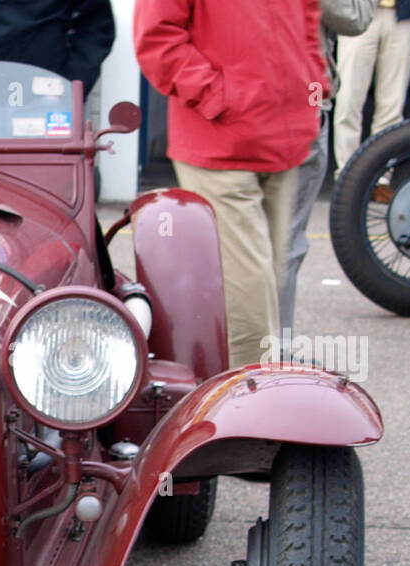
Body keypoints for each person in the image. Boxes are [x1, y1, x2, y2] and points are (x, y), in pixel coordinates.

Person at [135, 0, 327, 369]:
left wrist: (312, 95)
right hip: (221, 142)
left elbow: (307, 23)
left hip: (282, 139)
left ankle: (255, 388)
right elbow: (158, 39)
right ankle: (248, 402)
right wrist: (216, 97)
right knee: (249, 292)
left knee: (269, 277)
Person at [281, 0, 378, 341]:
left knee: (245, 242)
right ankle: (271, 355)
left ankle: (256, 352)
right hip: (294, 103)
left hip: (245, 102)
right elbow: (355, 16)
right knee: (284, 244)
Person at [332, 2, 410, 176]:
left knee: (393, 104)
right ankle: (346, 173)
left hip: (403, 13)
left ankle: (381, 177)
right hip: (357, 12)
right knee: (348, 100)